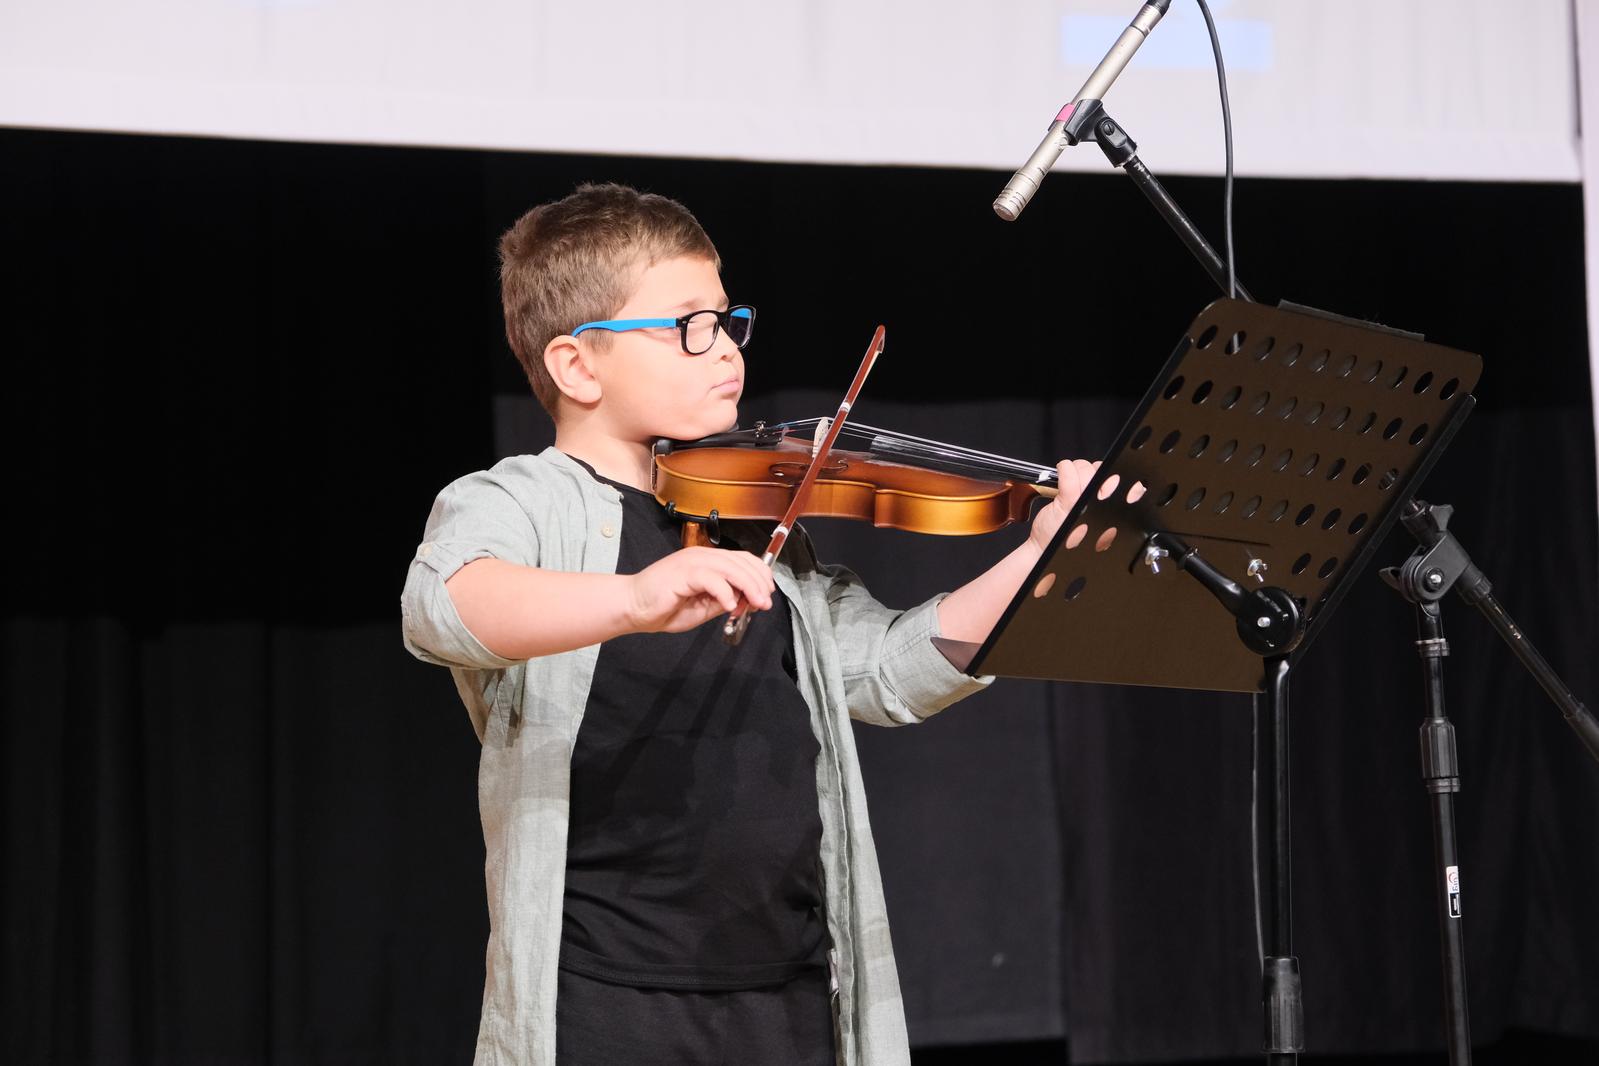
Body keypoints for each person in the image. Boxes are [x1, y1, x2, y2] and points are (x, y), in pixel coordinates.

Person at [400, 183, 1095, 1066]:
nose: (725, 347)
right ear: (577, 366)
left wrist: (1038, 558)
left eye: (727, 322)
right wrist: (635, 599)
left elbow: (889, 672)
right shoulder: (521, 501)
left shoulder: (754, 526)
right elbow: (444, 606)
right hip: (606, 1005)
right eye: (688, 326)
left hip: (791, 997)